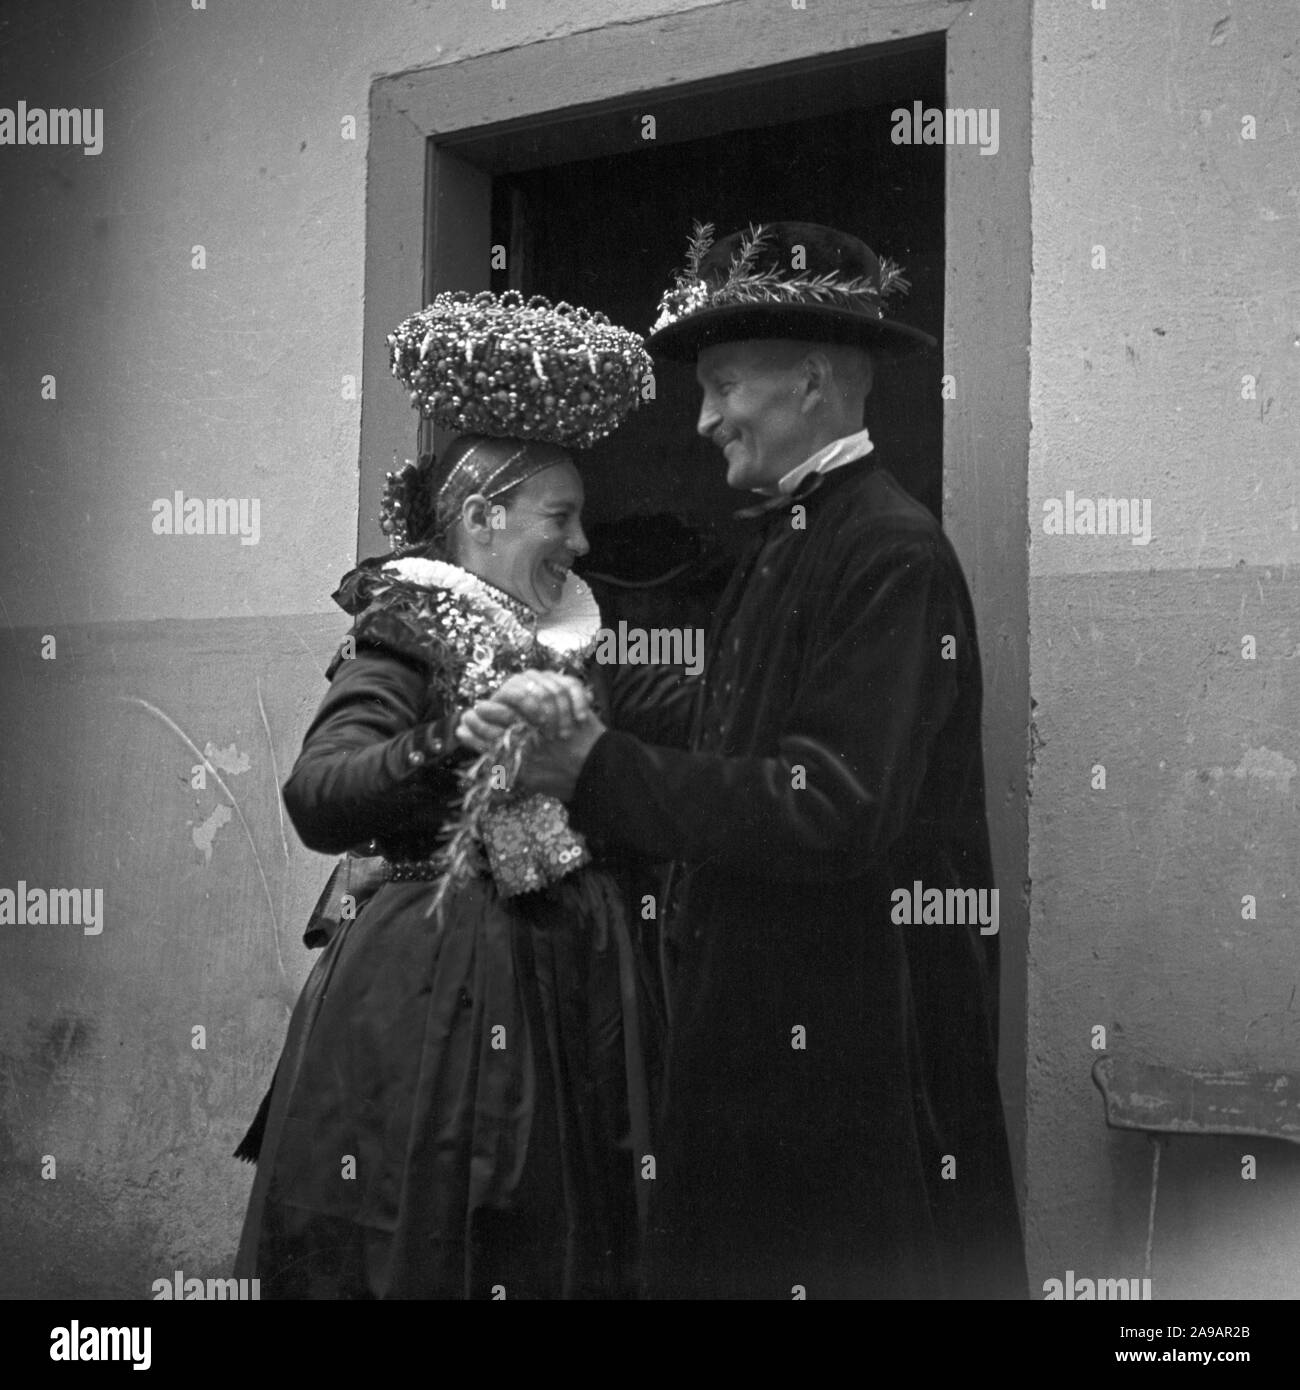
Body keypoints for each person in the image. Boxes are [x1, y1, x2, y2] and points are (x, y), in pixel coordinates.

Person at [460, 223, 1028, 1299]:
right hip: (772, 1025)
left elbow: (831, 805)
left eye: (722, 383)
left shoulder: (888, 552)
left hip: (846, 1040)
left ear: (813, 380)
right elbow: (738, 722)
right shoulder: (800, 533)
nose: (704, 417)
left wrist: (596, 765)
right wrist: (578, 678)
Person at [233, 289, 657, 1299]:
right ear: (481, 516)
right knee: (430, 1233)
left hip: (549, 985)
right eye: (562, 517)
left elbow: (669, 713)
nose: (583, 544)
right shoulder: (404, 634)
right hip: (433, 990)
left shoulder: (569, 647)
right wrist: (447, 737)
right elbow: (320, 793)